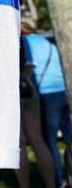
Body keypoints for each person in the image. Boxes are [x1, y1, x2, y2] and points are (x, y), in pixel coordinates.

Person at [24, 26, 72, 186]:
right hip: (64, 90)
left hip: (46, 93)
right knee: (69, 138)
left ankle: (59, 181)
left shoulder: (25, 43)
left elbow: (29, 68)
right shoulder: (46, 40)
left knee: (48, 141)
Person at [19, 34, 57, 188]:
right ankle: (51, 185)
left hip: (10, 91)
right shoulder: (21, 38)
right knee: (38, 140)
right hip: (28, 87)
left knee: (18, 144)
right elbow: (30, 64)